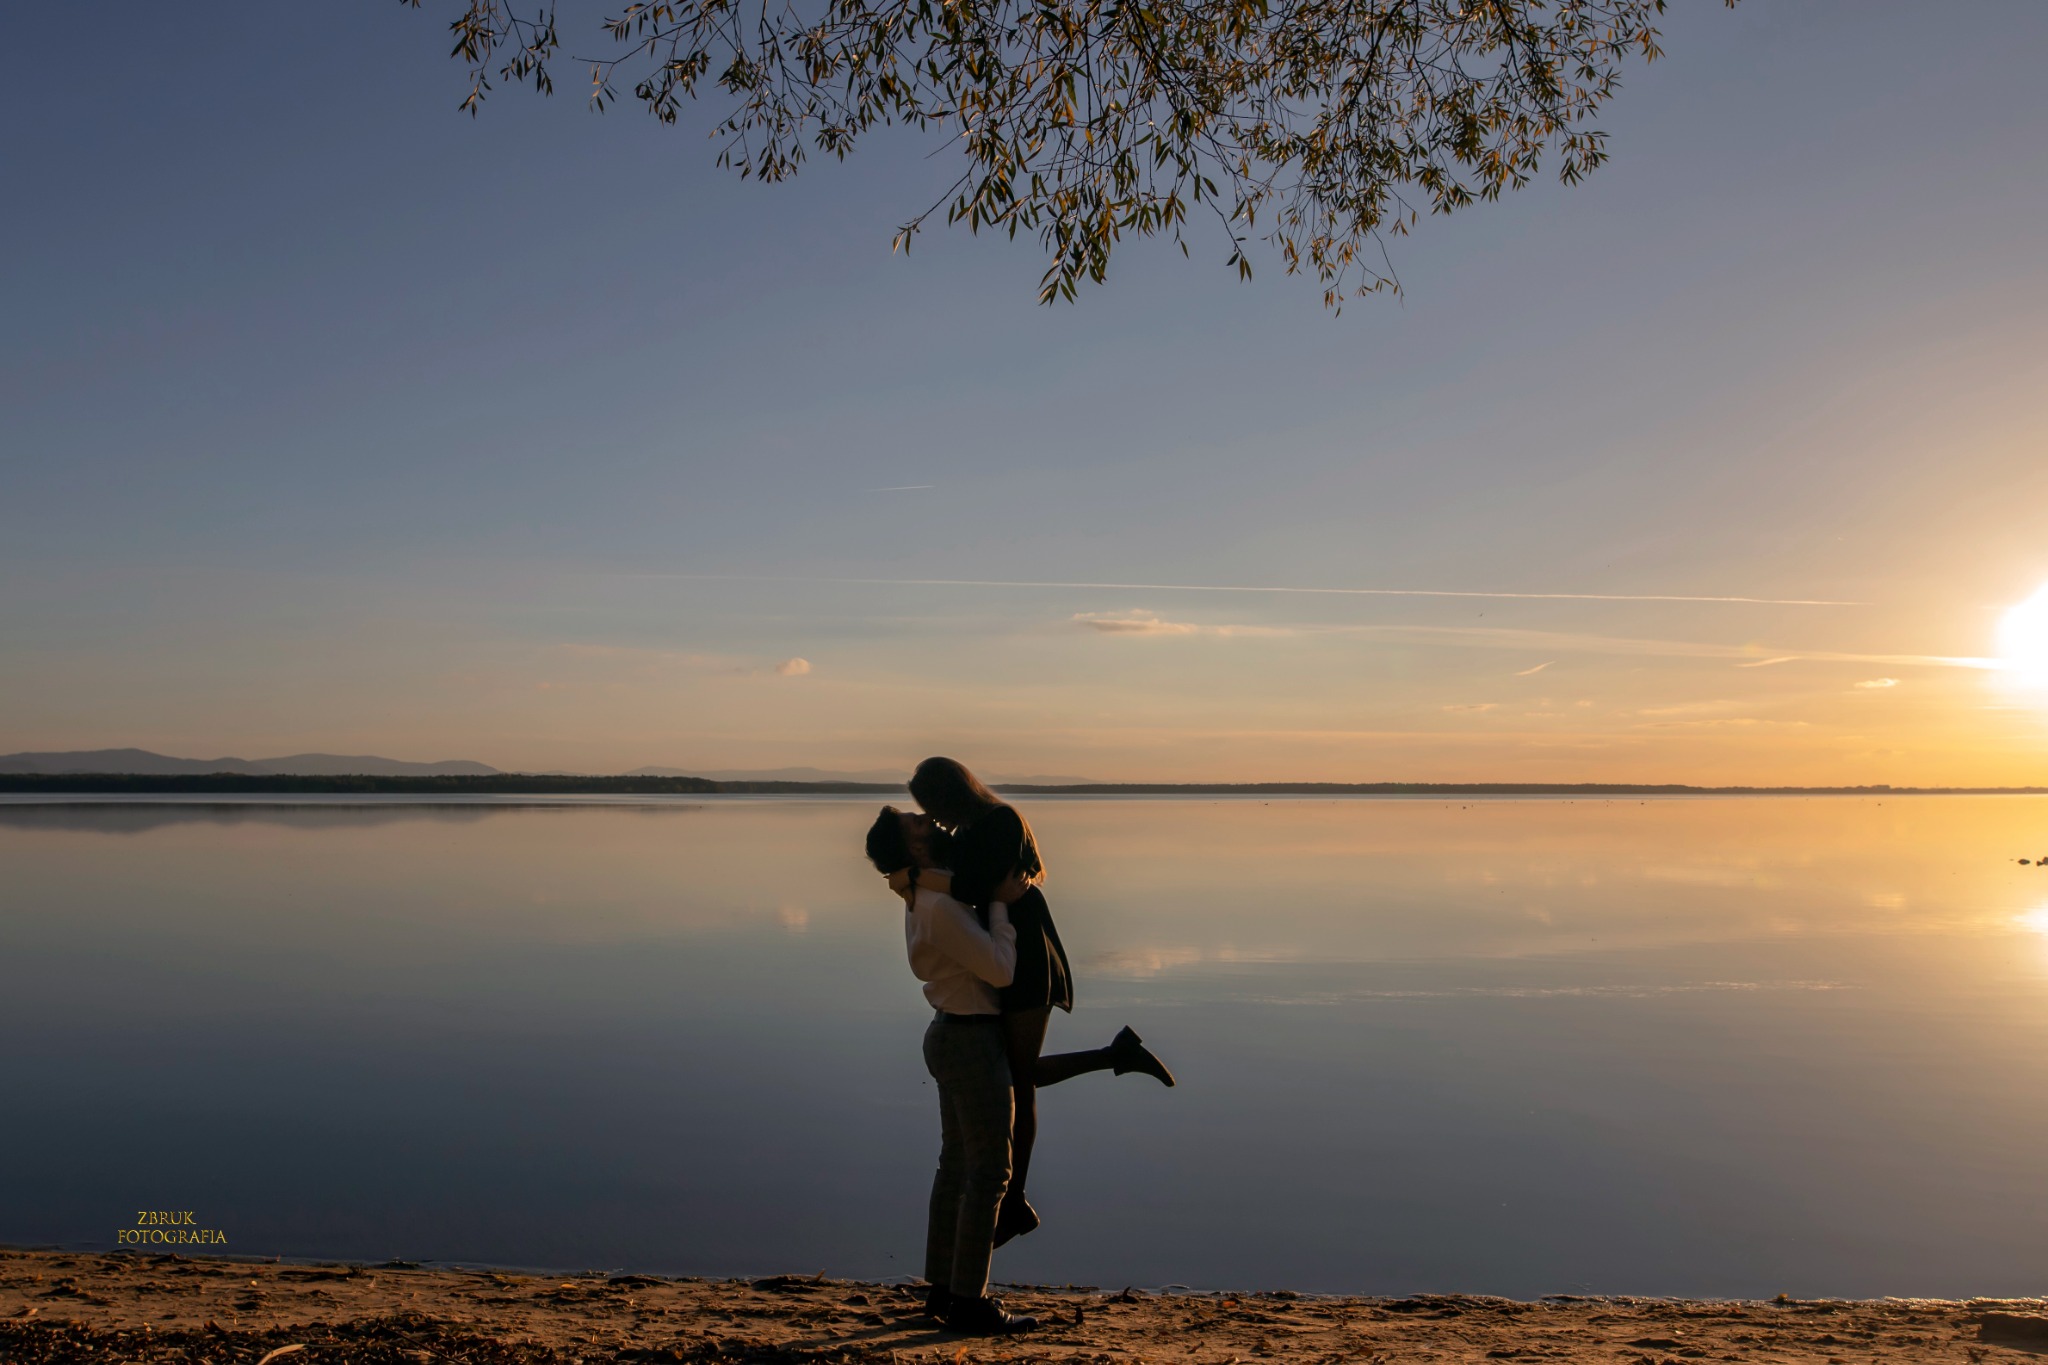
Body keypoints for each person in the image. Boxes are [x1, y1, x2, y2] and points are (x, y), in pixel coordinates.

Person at [895, 756, 1174, 1248]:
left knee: (1017, 1080)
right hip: (1004, 950)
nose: (932, 816)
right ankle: (1116, 1055)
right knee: (1008, 1073)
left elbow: (972, 887)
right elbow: (965, 888)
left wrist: (914, 881)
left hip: (1026, 955)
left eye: (932, 805)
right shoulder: (969, 829)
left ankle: (1015, 1198)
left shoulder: (997, 822)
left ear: (950, 793)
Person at [866, 804, 1038, 1337]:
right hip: (968, 1038)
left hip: (949, 1034)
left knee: (956, 1170)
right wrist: (1002, 906)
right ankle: (969, 1303)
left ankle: (943, 1291)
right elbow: (1000, 970)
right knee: (989, 1173)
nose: (930, 820)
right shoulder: (938, 905)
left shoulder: (925, 896)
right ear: (914, 848)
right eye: (917, 822)